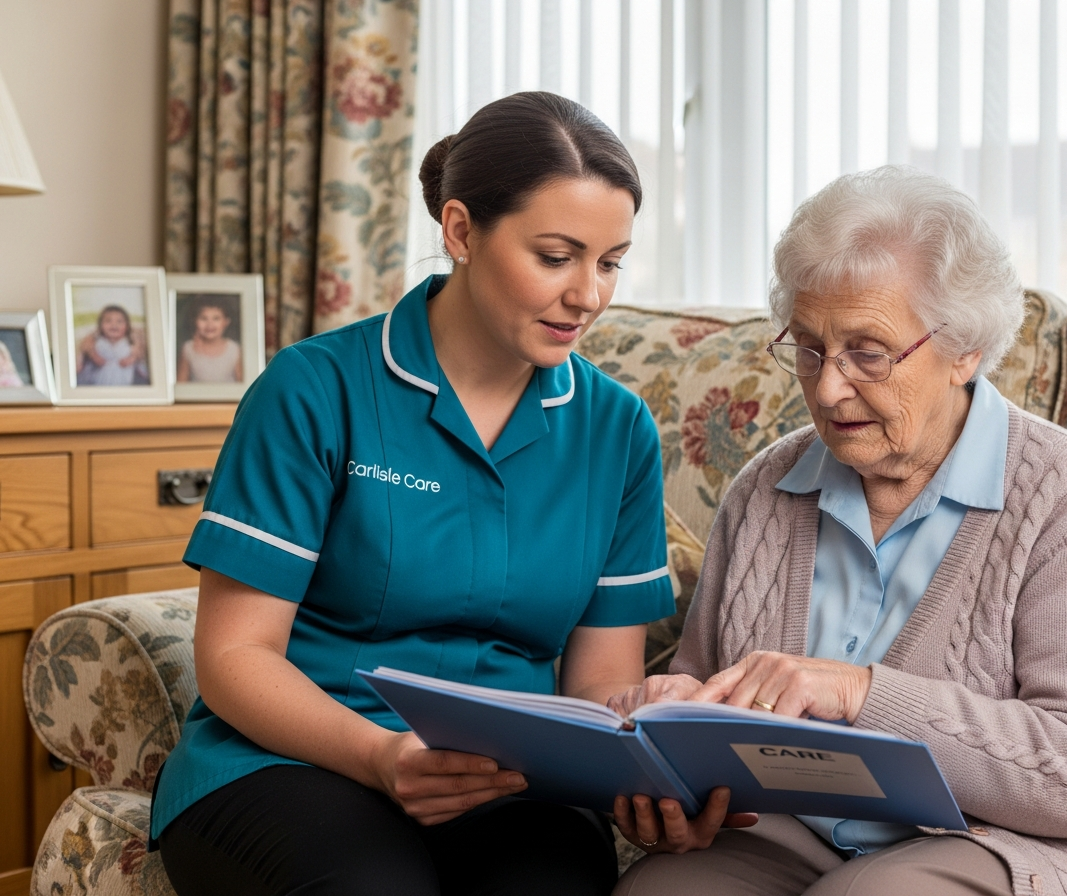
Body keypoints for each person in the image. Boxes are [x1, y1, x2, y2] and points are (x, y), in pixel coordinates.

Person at [152, 91, 675, 896]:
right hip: (292, 760)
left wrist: (648, 764)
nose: (590, 297)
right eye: (556, 256)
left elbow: (598, 686)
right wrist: (380, 756)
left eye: (609, 262)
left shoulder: (618, 431)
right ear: (461, 231)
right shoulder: (313, 390)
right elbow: (233, 655)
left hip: (510, 785)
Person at [607, 167, 1067, 896]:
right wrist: (672, 772)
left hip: (1006, 845)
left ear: (964, 349)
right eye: (810, 348)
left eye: (867, 353)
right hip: (791, 832)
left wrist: (860, 694)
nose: (827, 388)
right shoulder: (764, 488)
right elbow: (704, 696)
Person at [76, 304, 147, 386]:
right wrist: (94, 355)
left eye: (119, 321)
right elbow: (85, 349)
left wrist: (132, 358)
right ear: (100, 326)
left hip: (123, 382)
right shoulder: (97, 342)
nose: (114, 325)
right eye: (108, 321)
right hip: (98, 382)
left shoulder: (130, 342)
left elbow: (138, 354)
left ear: (127, 326)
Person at [177, 299, 242, 383]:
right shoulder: (188, 348)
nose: (210, 324)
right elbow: (181, 384)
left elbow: (243, 385)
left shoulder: (234, 349)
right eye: (203, 318)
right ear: (195, 321)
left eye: (216, 318)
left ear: (226, 322)